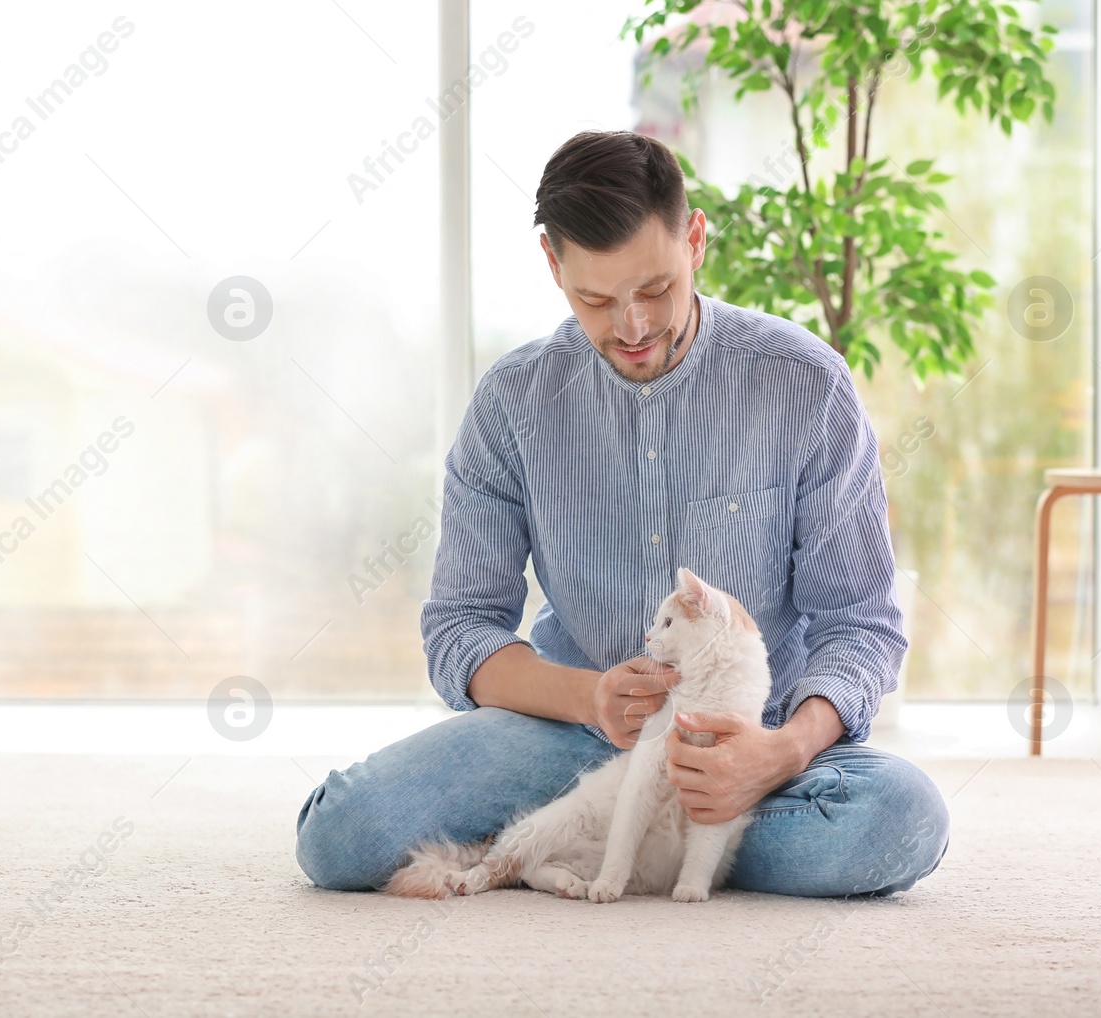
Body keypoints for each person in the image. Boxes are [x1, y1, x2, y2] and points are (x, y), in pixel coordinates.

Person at [295, 130, 949, 897]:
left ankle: (594, 838)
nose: (633, 327)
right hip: (566, 738)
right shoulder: (513, 404)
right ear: (553, 266)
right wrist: (589, 697)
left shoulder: (804, 387)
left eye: (655, 290)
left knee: (900, 818)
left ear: (695, 240)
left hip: (746, 746)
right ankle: (652, 843)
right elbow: (462, 628)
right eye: (596, 300)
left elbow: (861, 625)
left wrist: (778, 753)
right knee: (339, 836)